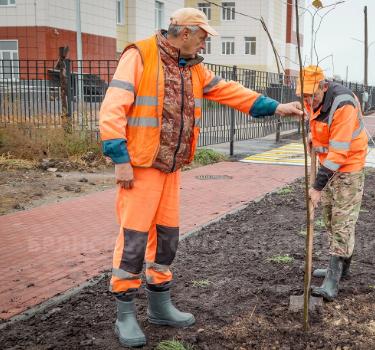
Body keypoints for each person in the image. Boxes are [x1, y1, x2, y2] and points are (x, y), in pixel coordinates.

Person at [99, 8, 302, 347]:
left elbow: (231, 91)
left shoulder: (193, 68)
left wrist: (275, 107)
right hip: (140, 166)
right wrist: (119, 158)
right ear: (185, 32)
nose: (206, 40)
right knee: (133, 241)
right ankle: (125, 316)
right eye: (204, 34)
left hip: (171, 168)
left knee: (167, 239)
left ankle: (160, 306)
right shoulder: (140, 55)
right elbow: (113, 106)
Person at [296, 65, 367, 302]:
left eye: (311, 96)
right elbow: (320, 125)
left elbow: (339, 153)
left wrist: (316, 188)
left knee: (342, 221)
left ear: (323, 87)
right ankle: (343, 267)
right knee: (329, 217)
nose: (308, 101)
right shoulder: (311, 99)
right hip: (328, 165)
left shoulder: (343, 104)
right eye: (303, 96)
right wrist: (313, 138)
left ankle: (333, 281)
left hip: (348, 167)